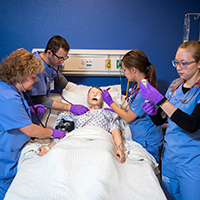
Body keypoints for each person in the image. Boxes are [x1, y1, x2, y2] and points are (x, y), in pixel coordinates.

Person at [0, 48, 72, 199]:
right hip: (5, 162)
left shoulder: (9, 90)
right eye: (33, 77)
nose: (36, 80)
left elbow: (13, 116)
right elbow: (30, 130)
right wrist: (54, 133)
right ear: (21, 77)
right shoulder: (10, 98)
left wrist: (29, 111)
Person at [139, 40, 200, 200]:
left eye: (184, 63)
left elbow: (192, 124)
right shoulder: (174, 86)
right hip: (170, 159)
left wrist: (161, 101)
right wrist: (153, 113)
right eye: (176, 62)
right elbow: (161, 120)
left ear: (199, 63)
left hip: (192, 163)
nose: (179, 68)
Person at [101, 50, 163, 162]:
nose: (123, 73)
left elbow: (129, 117)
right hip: (139, 138)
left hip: (148, 141)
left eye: (124, 70)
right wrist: (116, 110)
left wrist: (111, 103)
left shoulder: (144, 91)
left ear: (133, 70)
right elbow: (131, 107)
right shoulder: (136, 86)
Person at [38, 87, 126, 163]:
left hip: (100, 140)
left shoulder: (109, 114)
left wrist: (120, 148)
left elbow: (115, 132)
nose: (95, 94)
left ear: (103, 99)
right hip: (77, 139)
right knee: (60, 154)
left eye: (98, 93)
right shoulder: (76, 112)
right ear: (87, 98)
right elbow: (62, 131)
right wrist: (49, 147)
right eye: (92, 92)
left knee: (104, 156)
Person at [24, 35, 89, 125]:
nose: (62, 62)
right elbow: (41, 100)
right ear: (50, 52)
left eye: (64, 58)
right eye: (60, 58)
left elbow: (58, 77)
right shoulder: (37, 68)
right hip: (28, 116)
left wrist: (80, 91)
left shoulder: (49, 62)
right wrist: (70, 108)